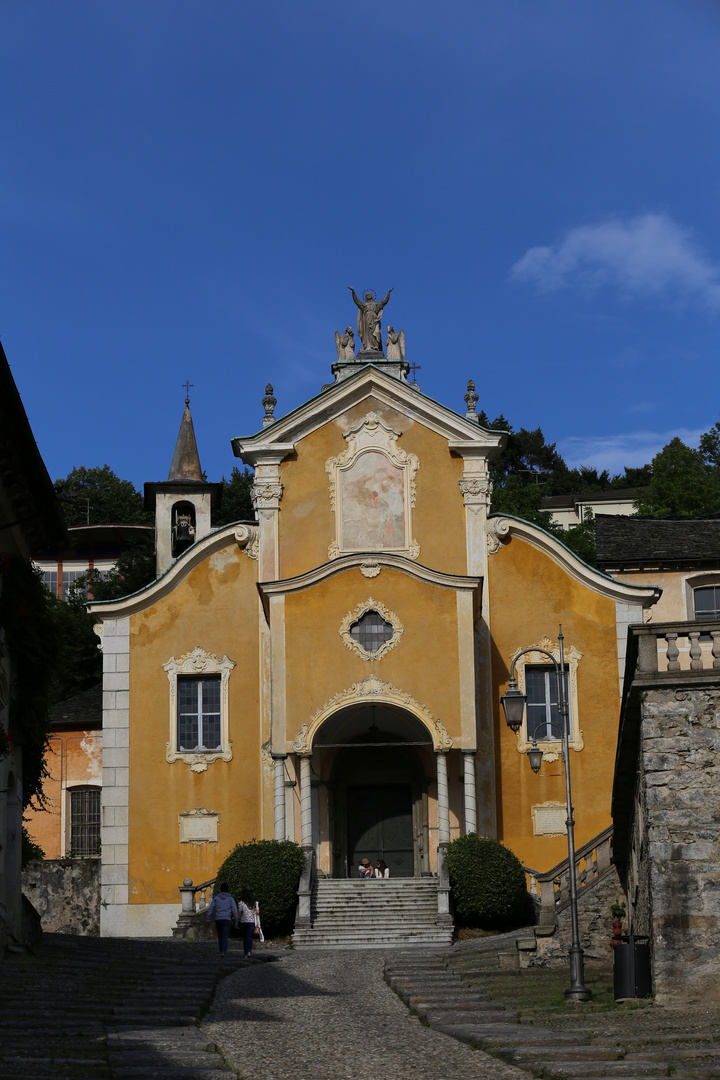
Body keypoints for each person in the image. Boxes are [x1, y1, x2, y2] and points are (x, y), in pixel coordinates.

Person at [206, 881, 238, 957]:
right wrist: (236, 921)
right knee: (225, 936)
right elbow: (234, 910)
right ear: (227, 889)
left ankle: (221, 950)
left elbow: (210, 908)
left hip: (218, 919)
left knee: (220, 936)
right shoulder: (230, 898)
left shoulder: (216, 898)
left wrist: (208, 919)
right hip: (227, 919)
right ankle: (223, 951)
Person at [238, 888, 257, 957]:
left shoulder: (241, 903)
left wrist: (237, 921)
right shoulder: (253, 903)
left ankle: (245, 952)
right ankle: (249, 951)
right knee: (249, 937)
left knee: (245, 937)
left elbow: (240, 913)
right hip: (251, 922)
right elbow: (256, 912)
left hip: (243, 922)